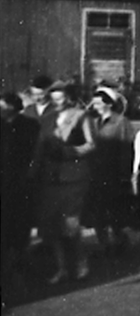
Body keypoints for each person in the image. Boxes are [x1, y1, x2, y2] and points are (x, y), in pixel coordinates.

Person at [36, 92, 94, 283]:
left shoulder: (80, 115)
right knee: (52, 225)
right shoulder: (47, 119)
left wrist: (69, 151)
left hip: (73, 177)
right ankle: (61, 268)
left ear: (70, 98)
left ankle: (80, 263)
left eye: (60, 97)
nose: (56, 102)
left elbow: (91, 144)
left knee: (71, 224)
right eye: (53, 98)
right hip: (50, 178)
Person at [83, 87, 136, 256]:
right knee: (97, 212)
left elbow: (127, 151)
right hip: (95, 175)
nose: (95, 105)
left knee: (115, 212)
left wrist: (124, 175)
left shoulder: (121, 122)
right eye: (94, 102)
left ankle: (120, 240)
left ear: (109, 103)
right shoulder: (92, 122)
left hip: (114, 175)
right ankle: (104, 244)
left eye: (99, 103)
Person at [1, 93, 41, 300]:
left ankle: (19, 270)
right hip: (4, 184)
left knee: (18, 228)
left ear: (12, 106)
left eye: (3, 105)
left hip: (20, 184)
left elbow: (34, 153)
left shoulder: (29, 125)